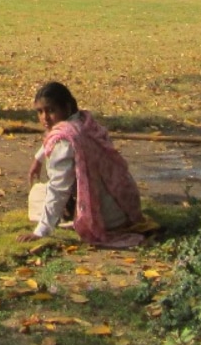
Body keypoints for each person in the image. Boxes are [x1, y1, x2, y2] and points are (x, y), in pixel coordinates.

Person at [19, 81, 148, 249]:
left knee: (38, 194)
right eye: (40, 112)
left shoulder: (65, 139)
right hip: (123, 208)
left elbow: (58, 188)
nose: (45, 118)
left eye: (51, 110)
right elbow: (53, 139)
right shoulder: (86, 123)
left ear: (66, 107)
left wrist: (41, 231)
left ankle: (70, 218)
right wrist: (38, 159)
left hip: (103, 219)